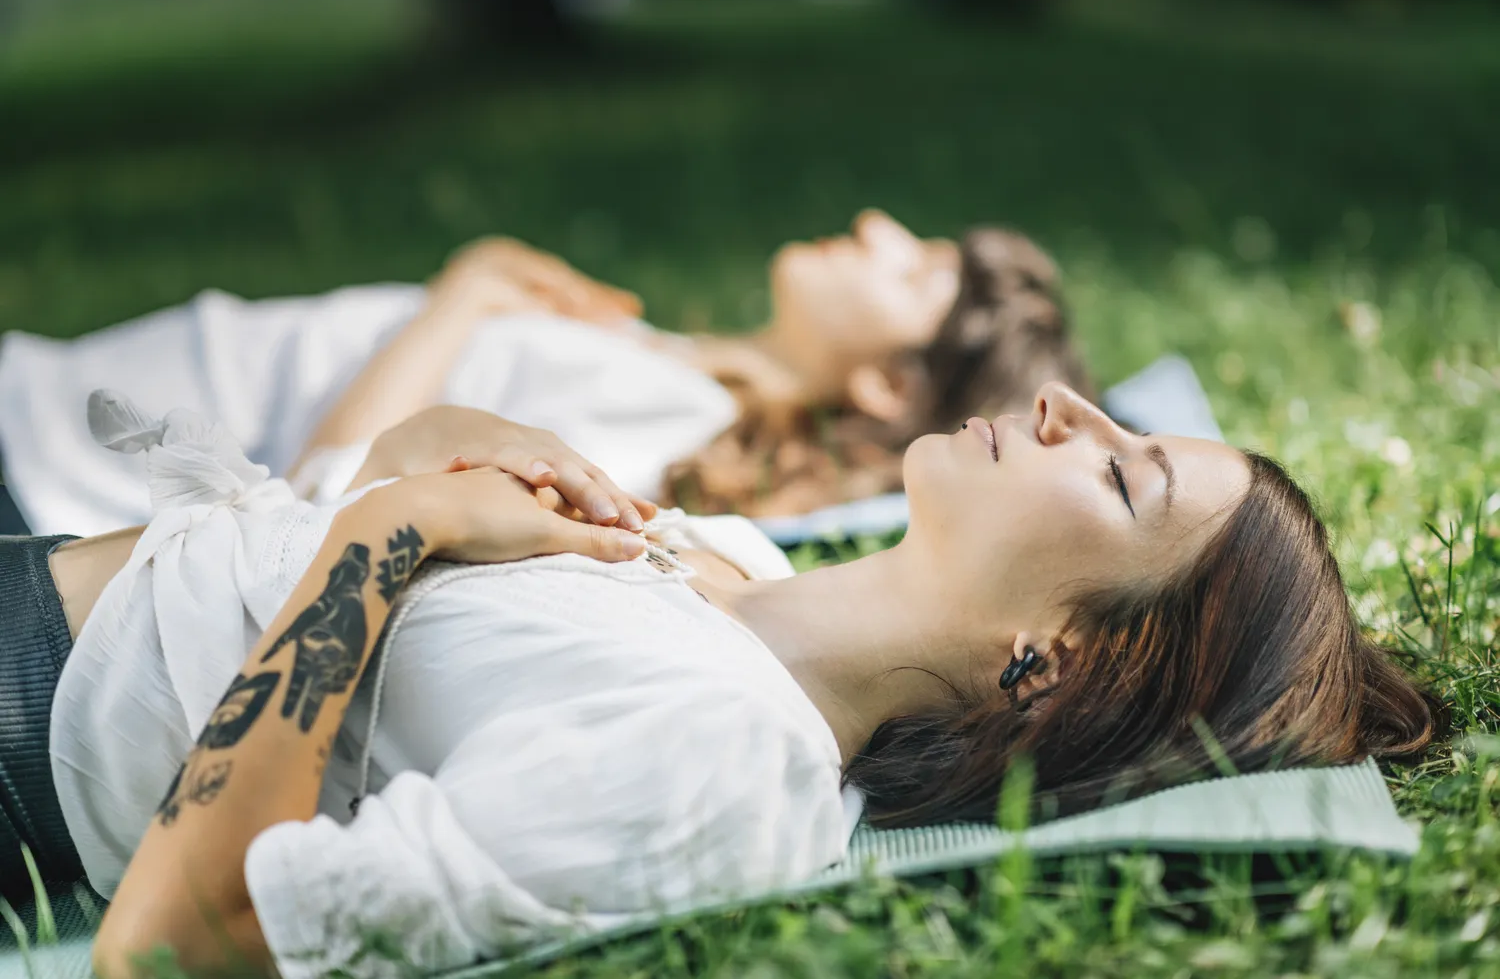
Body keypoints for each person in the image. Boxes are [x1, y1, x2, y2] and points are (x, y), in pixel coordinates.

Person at [4, 381, 1434, 979]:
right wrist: (434, 455)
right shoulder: (725, 559)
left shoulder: (722, 765)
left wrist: (394, 536)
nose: (1069, 405)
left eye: (1119, 473)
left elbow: (182, 943)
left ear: (1060, 664)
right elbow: (348, 532)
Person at [0, 210, 1091, 535]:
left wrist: (463, 292)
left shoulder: (672, 421)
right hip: (49, 408)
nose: (876, 225)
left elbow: (325, 499)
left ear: (890, 391)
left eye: (915, 271)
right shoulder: (672, 364)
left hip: (52, 473)